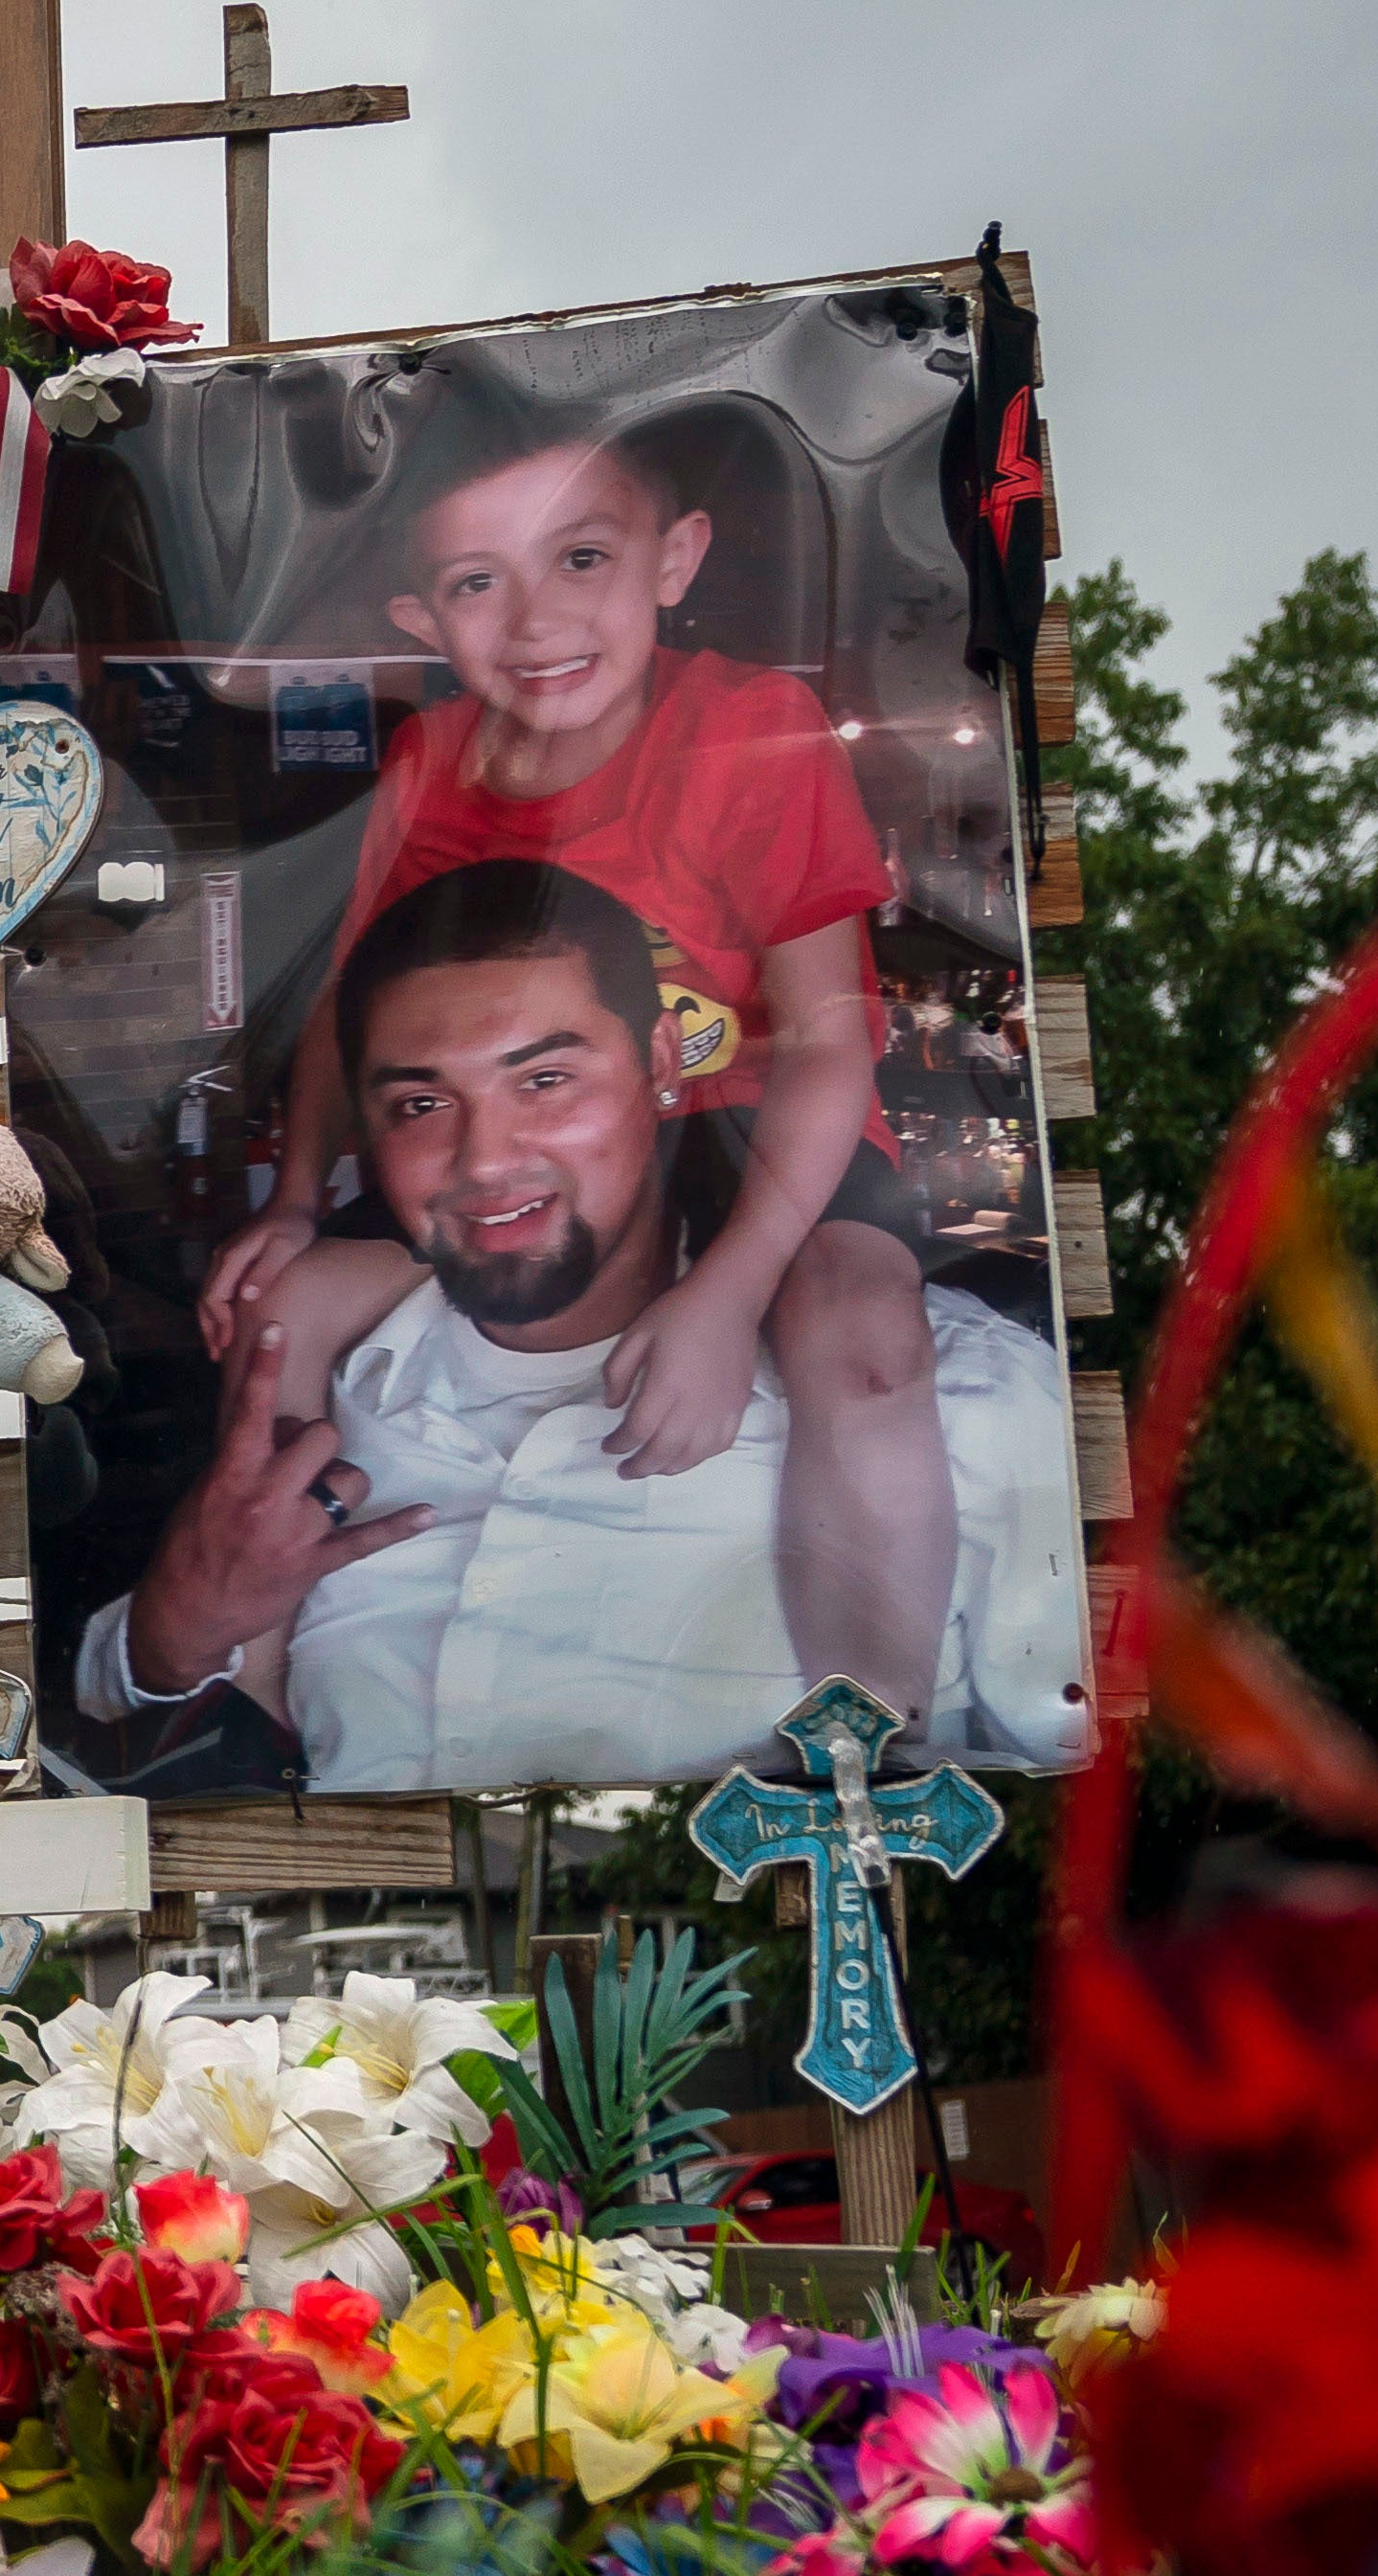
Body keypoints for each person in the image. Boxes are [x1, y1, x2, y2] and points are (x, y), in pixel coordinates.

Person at [197, 403, 958, 1734]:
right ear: (423, 622)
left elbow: (831, 1039)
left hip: (746, 1139)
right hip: (529, 1153)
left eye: (582, 561)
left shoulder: (750, 732)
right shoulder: (431, 763)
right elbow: (349, 1009)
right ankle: (234, 1700)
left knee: (866, 1340)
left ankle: (871, 1737)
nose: (537, 619)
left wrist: (730, 1291)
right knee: (284, 1319)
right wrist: (299, 1199)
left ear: (676, 560)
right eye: (479, 584)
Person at [66, 862, 1083, 1793]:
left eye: (546, 1080)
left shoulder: (950, 1401)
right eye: (423, 1103)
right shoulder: (318, 1382)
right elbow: (104, 1719)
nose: (488, 1158)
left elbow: (1088, 1837)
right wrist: (171, 1632)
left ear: (658, 1065)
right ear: (367, 1134)